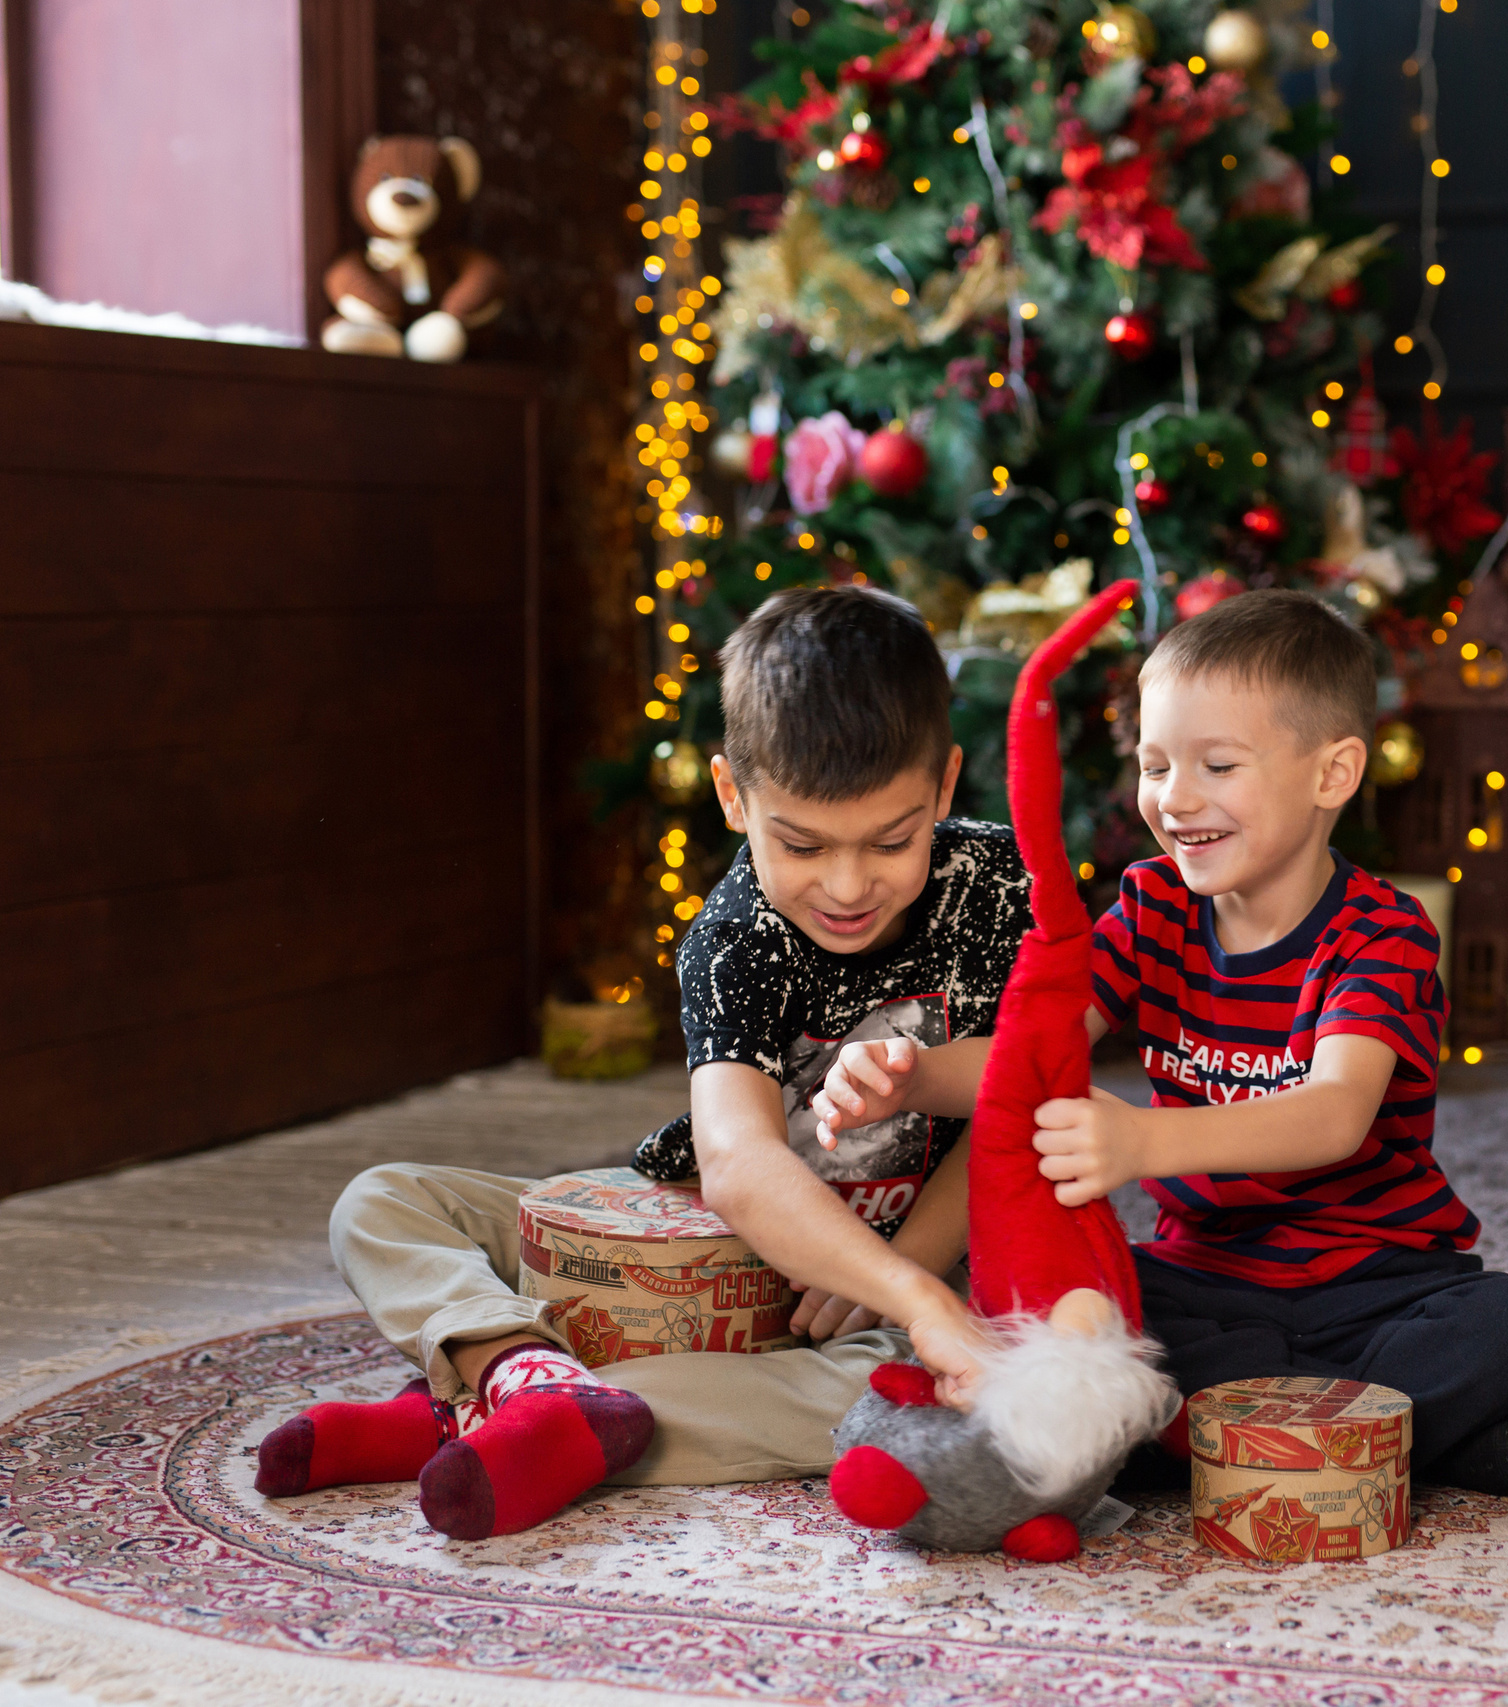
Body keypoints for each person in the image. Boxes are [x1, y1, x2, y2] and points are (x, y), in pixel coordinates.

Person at [253, 586, 1027, 1538]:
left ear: (945, 787)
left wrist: (904, 1277)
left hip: (885, 1274)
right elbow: (740, 1167)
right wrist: (905, 1291)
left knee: (908, 1381)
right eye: (802, 843)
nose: (848, 883)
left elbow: (1028, 1100)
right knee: (381, 1202)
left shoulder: (1002, 886)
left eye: (892, 840)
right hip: (706, 1228)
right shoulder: (735, 936)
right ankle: (516, 1378)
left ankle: (466, 1417)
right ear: (734, 797)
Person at [824, 589, 1508, 1499]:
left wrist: (1146, 1141)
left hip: (1376, 1285)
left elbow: (1334, 1115)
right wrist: (911, 1078)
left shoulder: (1384, 932)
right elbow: (1034, 1059)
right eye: (1154, 765)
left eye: (1216, 765)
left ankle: (1205, 1444)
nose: (1174, 799)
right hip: (1203, 1282)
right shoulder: (1153, 907)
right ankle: (1390, 1447)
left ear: (1333, 773)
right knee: (1048, 1313)